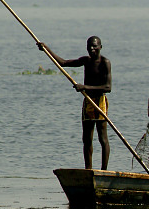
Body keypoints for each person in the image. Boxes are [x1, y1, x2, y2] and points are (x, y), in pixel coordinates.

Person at [38, 36, 112, 170]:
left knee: (103, 138)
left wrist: (85, 87)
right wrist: (46, 49)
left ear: (100, 47)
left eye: (95, 46)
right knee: (87, 139)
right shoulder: (86, 61)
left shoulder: (105, 62)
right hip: (88, 101)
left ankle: (104, 170)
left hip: (100, 101)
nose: (92, 49)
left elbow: (108, 87)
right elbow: (63, 63)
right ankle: (88, 169)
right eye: (89, 46)